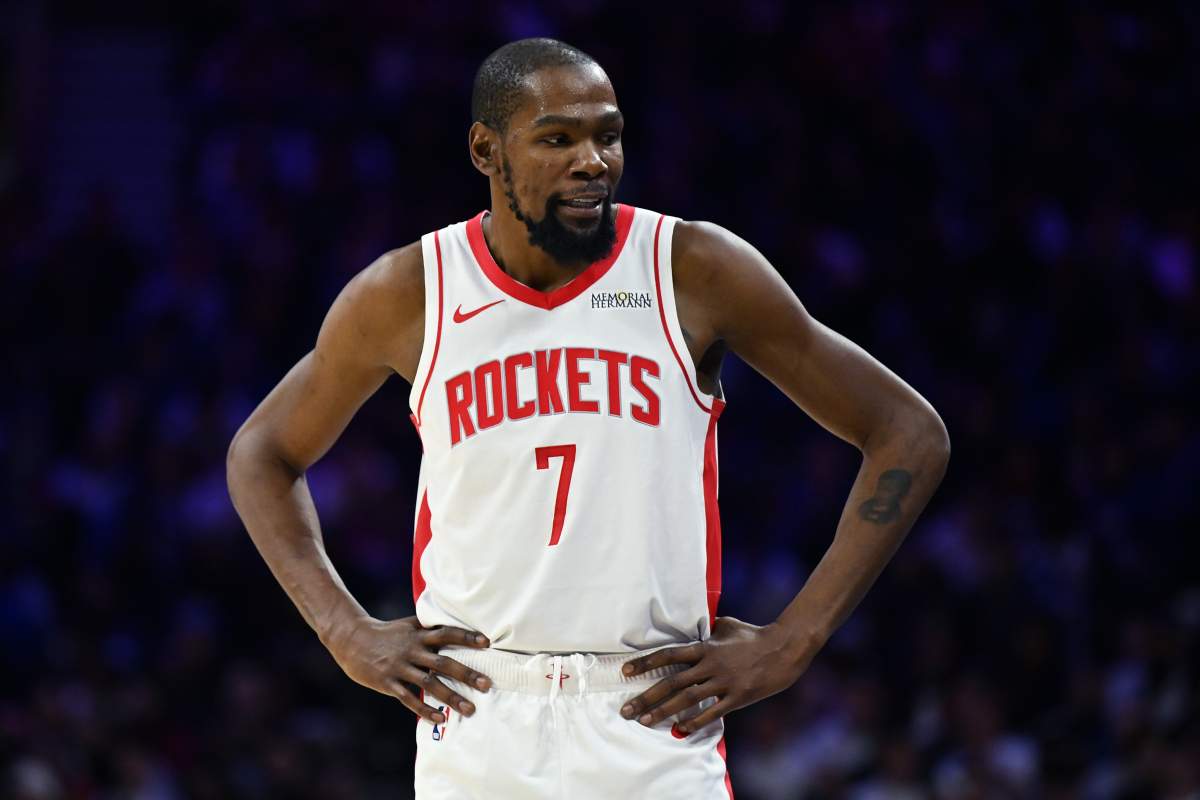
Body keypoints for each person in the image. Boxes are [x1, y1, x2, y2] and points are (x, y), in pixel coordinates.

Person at [226, 37, 950, 799]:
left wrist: (794, 641)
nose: (592, 161)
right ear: (486, 150)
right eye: (558, 139)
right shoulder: (410, 291)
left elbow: (908, 432)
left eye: (608, 135)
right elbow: (262, 453)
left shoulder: (690, 268)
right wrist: (343, 630)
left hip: (650, 712)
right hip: (478, 714)